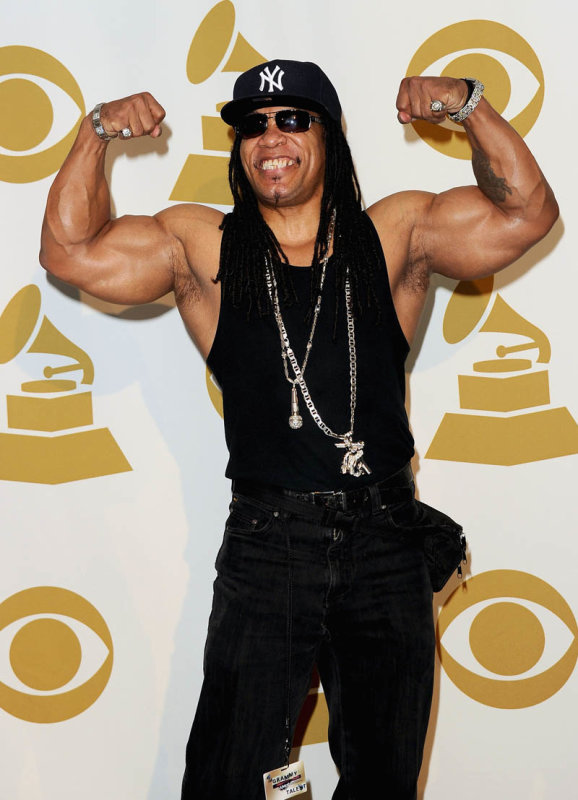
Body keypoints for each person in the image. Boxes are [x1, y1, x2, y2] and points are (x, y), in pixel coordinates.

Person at [40, 60, 558, 800]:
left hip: (386, 537)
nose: (270, 138)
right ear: (237, 145)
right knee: (229, 776)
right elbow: (67, 251)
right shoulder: (206, 246)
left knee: (384, 777)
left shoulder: (395, 233)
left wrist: (469, 105)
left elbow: (526, 215)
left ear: (329, 136)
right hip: (269, 541)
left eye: (292, 119)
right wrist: (95, 132)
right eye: (251, 124)